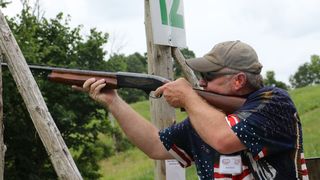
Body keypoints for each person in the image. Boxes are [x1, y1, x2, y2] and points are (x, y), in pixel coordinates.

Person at [73, 40, 308, 179]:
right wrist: (114, 102)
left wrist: (188, 97)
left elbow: (223, 139)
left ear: (238, 80)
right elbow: (155, 146)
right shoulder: (206, 116)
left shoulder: (274, 103)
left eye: (208, 76)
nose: (201, 82)